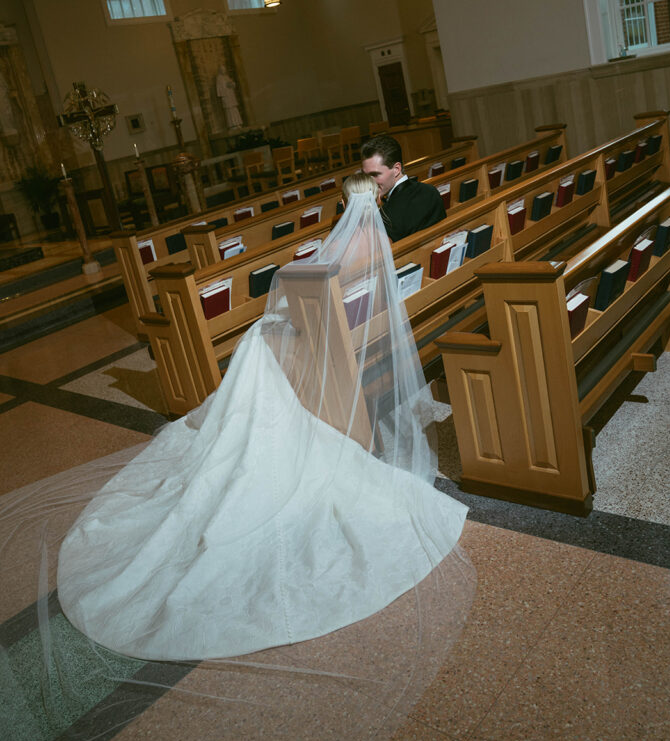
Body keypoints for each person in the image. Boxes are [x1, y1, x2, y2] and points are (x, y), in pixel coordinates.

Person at [57, 173, 468, 662]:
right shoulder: (378, 234)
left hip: (334, 327)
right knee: (263, 336)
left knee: (256, 343)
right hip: (360, 324)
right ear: (374, 198)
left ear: (343, 201)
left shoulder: (348, 238)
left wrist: (291, 282)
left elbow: (305, 286)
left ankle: (256, 420)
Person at [361, 134, 446, 242]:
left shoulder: (386, 216)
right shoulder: (430, 190)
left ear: (396, 169)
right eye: (365, 175)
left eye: (375, 174)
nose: (369, 182)